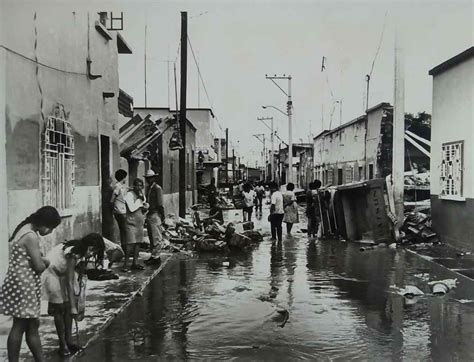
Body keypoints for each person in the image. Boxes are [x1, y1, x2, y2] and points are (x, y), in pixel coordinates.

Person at [1, 206, 61, 362]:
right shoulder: (31, 236)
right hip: (24, 284)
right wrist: (47, 261)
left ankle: (40, 359)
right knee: (20, 325)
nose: (50, 232)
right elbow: (39, 266)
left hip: (21, 282)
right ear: (43, 223)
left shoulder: (25, 229)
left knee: (32, 323)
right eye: (51, 227)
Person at [42, 233, 105, 357]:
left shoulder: (81, 252)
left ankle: (69, 341)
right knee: (60, 309)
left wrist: (73, 304)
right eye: (91, 249)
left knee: (68, 309)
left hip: (63, 273)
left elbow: (74, 276)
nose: (92, 253)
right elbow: (70, 283)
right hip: (52, 273)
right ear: (86, 245)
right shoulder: (73, 252)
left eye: (95, 251)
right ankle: (62, 344)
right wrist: (72, 307)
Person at [123, 178, 149, 272]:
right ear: (134, 186)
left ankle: (135, 262)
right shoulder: (129, 195)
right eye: (137, 185)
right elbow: (132, 208)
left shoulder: (142, 195)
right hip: (131, 222)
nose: (139, 187)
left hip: (139, 222)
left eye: (141, 185)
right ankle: (126, 264)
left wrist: (145, 207)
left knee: (138, 242)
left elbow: (142, 208)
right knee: (130, 243)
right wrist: (140, 201)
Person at [144, 170, 165, 266]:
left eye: (150, 178)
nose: (149, 180)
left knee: (156, 236)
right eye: (147, 178)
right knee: (151, 236)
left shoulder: (157, 188)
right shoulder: (149, 188)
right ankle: (153, 256)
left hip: (155, 213)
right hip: (149, 213)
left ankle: (156, 257)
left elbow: (160, 203)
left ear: (153, 178)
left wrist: (162, 215)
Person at [110, 169, 128, 252]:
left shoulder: (121, 186)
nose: (125, 179)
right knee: (124, 231)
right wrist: (114, 209)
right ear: (123, 178)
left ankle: (125, 249)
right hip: (120, 211)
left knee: (124, 231)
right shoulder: (118, 186)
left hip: (121, 211)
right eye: (125, 178)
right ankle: (125, 250)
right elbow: (112, 199)